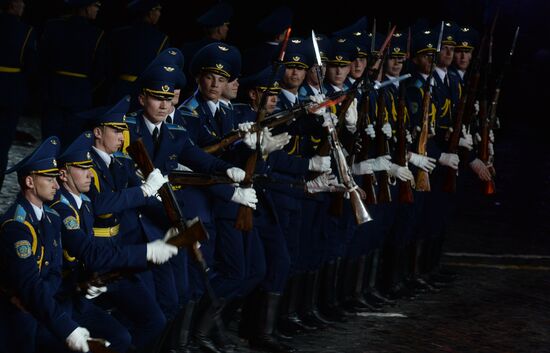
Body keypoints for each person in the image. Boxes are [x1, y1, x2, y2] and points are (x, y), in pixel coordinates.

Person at [0, 136, 131, 353]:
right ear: (30, 182)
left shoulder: (51, 217)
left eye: (55, 177)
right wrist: (67, 327)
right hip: (24, 313)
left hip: (54, 300)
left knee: (119, 337)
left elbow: (54, 270)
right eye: (49, 178)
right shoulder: (17, 226)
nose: (56, 183)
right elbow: (31, 286)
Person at [51, 130, 178, 352]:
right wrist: (146, 251)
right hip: (67, 292)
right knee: (120, 337)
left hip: (96, 275)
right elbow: (88, 252)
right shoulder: (62, 210)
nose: (90, 174)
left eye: (90, 168)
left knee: (152, 320)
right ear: (63, 175)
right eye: (82, 169)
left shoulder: (85, 203)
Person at [40, 0, 106, 145]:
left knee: (49, 138)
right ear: (85, 7)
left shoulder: (54, 26)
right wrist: (87, 87)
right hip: (79, 93)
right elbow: (100, 71)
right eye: (95, 6)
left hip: (54, 89)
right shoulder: (96, 34)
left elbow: (43, 60)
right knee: (71, 139)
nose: (97, 10)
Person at [0, 0, 38, 191]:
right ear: (12, 5)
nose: (23, 6)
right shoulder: (25, 30)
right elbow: (30, 64)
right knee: (3, 142)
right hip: (10, 89)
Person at [107, 0, 169, 104]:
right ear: (150, 12)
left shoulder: (118, 34)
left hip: (119, 89)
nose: (159, 14)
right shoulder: (160, 38)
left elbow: (109, 66)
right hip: (143, 92)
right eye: (158, 10)